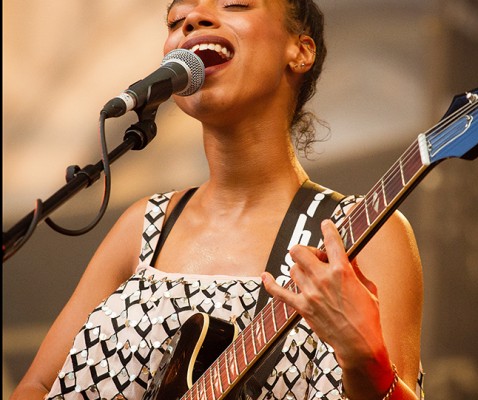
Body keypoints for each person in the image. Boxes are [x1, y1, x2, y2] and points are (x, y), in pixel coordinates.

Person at [11, 0, 425, 399]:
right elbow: (37, 388)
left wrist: (367, 362)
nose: (193, 19)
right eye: (177, 20)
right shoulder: (144, 226)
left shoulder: (364, 234)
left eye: (235, 4)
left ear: (299, 51)